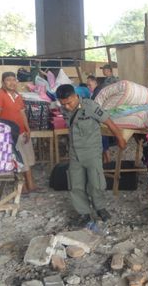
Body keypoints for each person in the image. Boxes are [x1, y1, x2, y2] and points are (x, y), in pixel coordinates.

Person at [56, 84, 127, 226]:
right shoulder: (64, 108)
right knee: (76, 184)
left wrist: (120, 139)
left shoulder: (90, 106)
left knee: (96, 182)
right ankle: (84, 213)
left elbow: (109, 122)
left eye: (69, 103)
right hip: (75, 152)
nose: (67, 107)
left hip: (91, 151)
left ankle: (100, 208)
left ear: (75, 96)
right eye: (63, 104)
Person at [0, 72, 39, 193]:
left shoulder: (17, 95)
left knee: (28, 159)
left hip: (22, 132)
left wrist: (28, 129)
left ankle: (31, 185)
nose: (12, 82)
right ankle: (22, 188)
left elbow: (22, 114)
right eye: (8, 80)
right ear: (3, 82)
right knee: (19, 161)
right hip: (11, 134)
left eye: (14, 80)